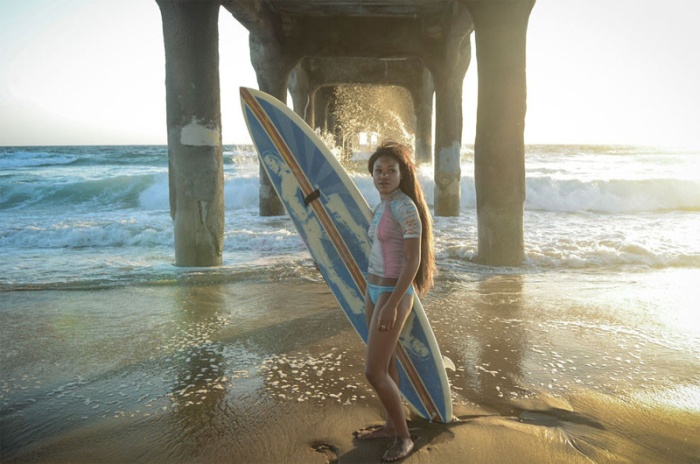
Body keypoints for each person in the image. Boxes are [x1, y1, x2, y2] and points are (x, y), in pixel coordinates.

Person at [355, 141, 436, 462]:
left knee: (373, 372)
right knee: (387, 364)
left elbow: (413, 261)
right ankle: (391, 425)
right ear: (372, 175)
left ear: (402, 174)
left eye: (391, 170)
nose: (384, 176)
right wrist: (370, 295)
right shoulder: (381, 206)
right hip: (374, 291)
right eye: (378, 171)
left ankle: (404, 437)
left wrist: (391, 304)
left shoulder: (405, 207)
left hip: (393, 295)